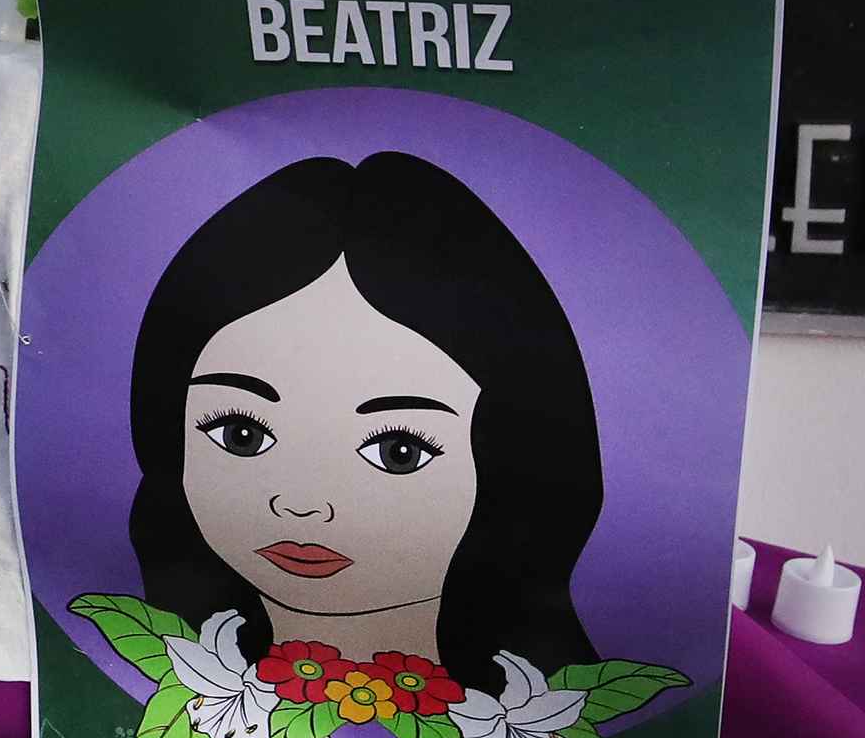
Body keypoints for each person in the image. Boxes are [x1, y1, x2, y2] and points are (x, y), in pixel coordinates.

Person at [122, 150, 602, 691]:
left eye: (399, 450)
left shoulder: (540, 720)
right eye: (243, 434)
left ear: (513, 458)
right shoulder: (155, 672)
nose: (302, 503)